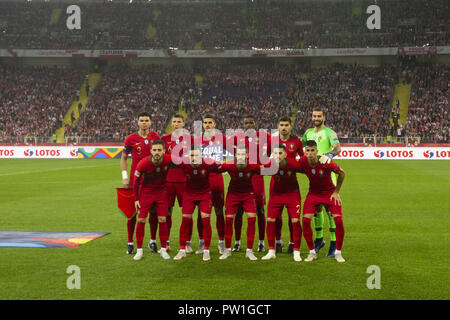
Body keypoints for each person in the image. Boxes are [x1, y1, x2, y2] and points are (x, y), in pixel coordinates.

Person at [301, 108, 341, 257]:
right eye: (314, 116)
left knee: (330, 211)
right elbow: (301, 146)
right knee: (316, 209)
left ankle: (334, 243)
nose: (316, 118)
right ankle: (319, 240)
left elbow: (337, 148)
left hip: (328, 175)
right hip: (314, 177)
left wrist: (328, 155)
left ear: (324, 117)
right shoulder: (308, 133)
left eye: (319, 116)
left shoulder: (330, 133)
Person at [298, 140, 346, 263]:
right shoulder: (303, 161)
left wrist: (336, 192)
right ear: (304, 152)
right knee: (305, 220)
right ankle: (312, 252)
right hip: (313, 194)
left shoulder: (325, 161)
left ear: (317, 151)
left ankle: (338, 253)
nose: (309, 153)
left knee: (338, 221)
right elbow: (295, 168)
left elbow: (342, 173)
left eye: (312, 150)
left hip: (329, 194)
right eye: (307, 150)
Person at [229, 115, 271, 253]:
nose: (248, 125)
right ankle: (237, 242)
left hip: (257, 178)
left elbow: (272, 146)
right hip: (242, 178)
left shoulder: (263, 136)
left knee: (260, 211)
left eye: (251, 123)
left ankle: (260, 242)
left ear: (255, 124)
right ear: (243, 124)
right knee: (239, 211)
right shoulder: (238, 137)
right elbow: (227, 145)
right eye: (246, 123)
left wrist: (264, 159)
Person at [121, 112, 160, 255]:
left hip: (152, 181)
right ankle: (130, 242)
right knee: (131, 214)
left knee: (153, 212)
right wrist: (125, 177)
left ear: (150, 123)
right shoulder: (130, 139)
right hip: (134, 181)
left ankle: (153, 241)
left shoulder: (155, 137)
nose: (144, 122)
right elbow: (124, 158)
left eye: (146, 120)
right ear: (137, 122)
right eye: (141, 120)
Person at [172, 146, 221, 261]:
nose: (194, 158)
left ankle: (206, 250)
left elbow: (224, 166)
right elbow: (169, 160)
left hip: (205, 194)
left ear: (202, 156)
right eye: (192, 155)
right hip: (189, 194)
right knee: (185, 219)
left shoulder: (209, 163)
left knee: (205, 219)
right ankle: (182, 249)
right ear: (188, 156)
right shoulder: (184, 163)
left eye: (197, 155)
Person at [217, 145, 262, 261]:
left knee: (252, 219)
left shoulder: (253, 167)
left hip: (248, 194)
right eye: (239, 154)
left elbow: (268, 169)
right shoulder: (230, 166)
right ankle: (227, 250)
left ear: (247, 155)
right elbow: (214, 168)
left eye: (243, 154)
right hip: (233, 194)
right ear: (236, 155)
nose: (241, 156)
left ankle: (249, 251)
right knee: (228, 220)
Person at [261, 144, 303, 262]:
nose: (277, 156)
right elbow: (255, 169)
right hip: (276, 195)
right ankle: (271, 251)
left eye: (280, 153)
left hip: (292, 195)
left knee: (295, 221)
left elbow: (308, 171)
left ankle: (296, 251)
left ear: (285, 154)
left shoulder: (294, 164)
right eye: (275, 153)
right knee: (270, 220)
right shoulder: (270, 164)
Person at [132, 140, 173, 261]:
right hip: (147, 193)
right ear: (150, 151)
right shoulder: (143, 163)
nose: (157, 152)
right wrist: (136, 199)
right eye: (154, 150)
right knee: (141, 219)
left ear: (164, 151)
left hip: (161, 192)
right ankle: (139, 250)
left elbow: (183, 163)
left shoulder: (168, 159)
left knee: (162, 219)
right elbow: (136, 182)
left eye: (159, 150)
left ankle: (164, 249)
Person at [272, 116, 304, 254]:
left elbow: (303, 159)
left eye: (286, 125)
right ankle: (278, 241)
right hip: (276, 183)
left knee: (293, 217)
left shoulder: (296, 141)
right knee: (276, 216)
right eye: (281, 125)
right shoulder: (273, 140)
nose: (284, 127)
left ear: (290, 126)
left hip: (291, 184)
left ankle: (292, 242)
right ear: (278, 126)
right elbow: (265, 157)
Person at [195, 114, 226, 254]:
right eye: (205, 123)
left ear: (214, 124)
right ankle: (201, 242)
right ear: (202, 125)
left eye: (210, 122)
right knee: (200, 213)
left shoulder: (222, 139)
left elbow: (237, 153)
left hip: (217, 178)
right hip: (202, 180)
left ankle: (221, 242)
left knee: (219, 211)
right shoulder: (197, 141)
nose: (207, 125)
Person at [161, 114, 192, 252]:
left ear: (183, 124)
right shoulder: (164, 139)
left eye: (179, 122)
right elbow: (162, 157)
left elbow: (191, 158)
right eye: (174, 122)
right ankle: (166, 242)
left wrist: (174, 160)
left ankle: (187, 242)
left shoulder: (189, 139)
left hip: (185, 180)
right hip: (167, 180)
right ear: (171, 124)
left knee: (187, 213)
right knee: (167, 212)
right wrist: (177, 158)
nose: (176, 124)